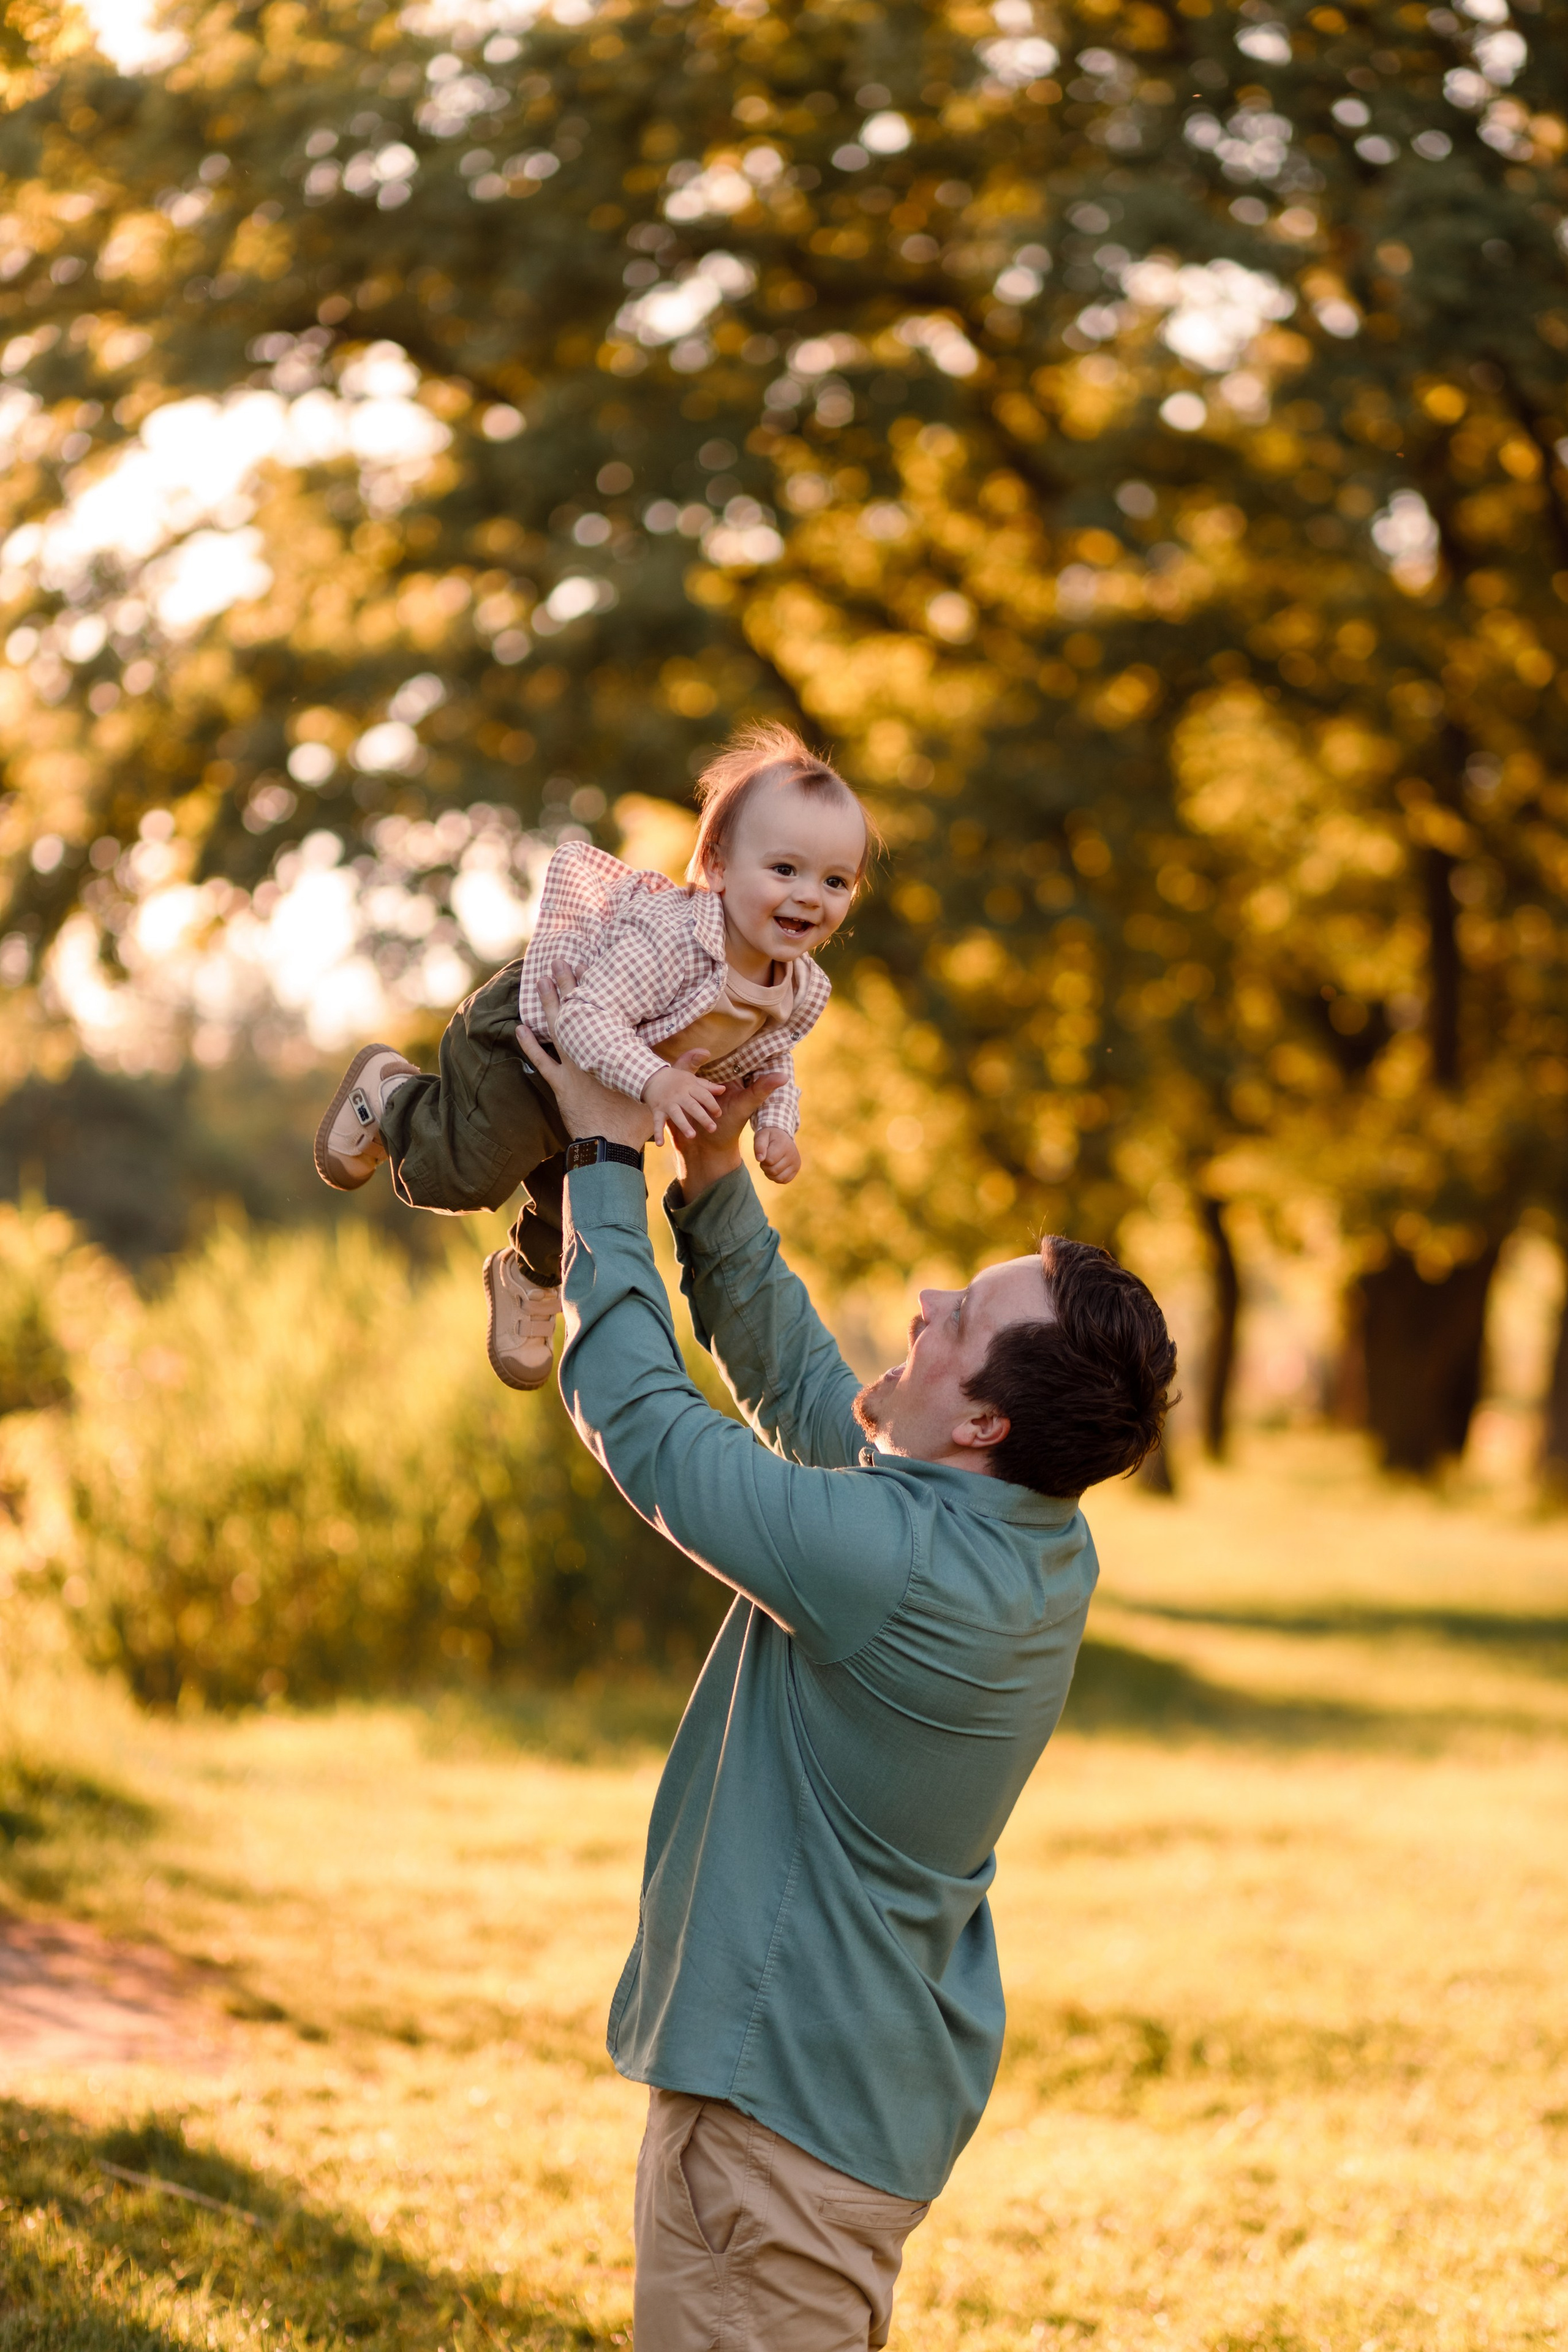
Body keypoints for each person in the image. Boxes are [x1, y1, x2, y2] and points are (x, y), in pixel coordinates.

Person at [518, 979, 1177, 2352]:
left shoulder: (898, 1560)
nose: (929, 1301)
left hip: (773, 2128)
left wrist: (596, 1169)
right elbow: (821, 1410)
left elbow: (647, 1428)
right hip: (841, 2112)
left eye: (961, 1316)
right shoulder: (1030, 1538)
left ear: (984, 1415)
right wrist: (707, 1187)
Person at [311, 724, 870, 1388]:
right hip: (533, 1044)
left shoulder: (801, 988)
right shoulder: (672, 939)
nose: (811, 895)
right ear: (718, 867)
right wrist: (657, 1079)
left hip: (614, 1095)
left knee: (582, 1214)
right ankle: (395, 1095)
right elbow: (583, 1013)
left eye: (836, 880)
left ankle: (525, 1276)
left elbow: (774, 1059)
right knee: (456, 1182)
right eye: (785, 869)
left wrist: (777, 1123)